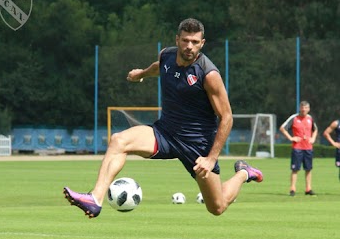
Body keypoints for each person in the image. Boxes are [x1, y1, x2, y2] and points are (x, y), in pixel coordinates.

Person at [63, 18, 263, 218]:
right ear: (177, 40)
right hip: (164, 133)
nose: (189, 46)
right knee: (118, 140)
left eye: (194, 42)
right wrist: (141, 74)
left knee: (217, 207)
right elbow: (159, 67)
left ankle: (245, 172)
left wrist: (211, 159)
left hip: (197, 146)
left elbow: (227, 117)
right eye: (185, 40)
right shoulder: (167, 55)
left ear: (202, 43)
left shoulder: (208, 74)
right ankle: (95, 199)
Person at [279, 101, 318, 196]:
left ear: (308, 109)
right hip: (297, 147)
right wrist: (291, 138)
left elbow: (315, 129)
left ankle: (308, 189)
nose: (304, 109)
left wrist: (313, 138)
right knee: (295, 169)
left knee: (308, 169)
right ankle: (292, 189)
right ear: (299, 108)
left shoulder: (310, 118)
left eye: (306, 108)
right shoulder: (294, 118)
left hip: (308, 147)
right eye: (302, 107)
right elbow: (282, 128)